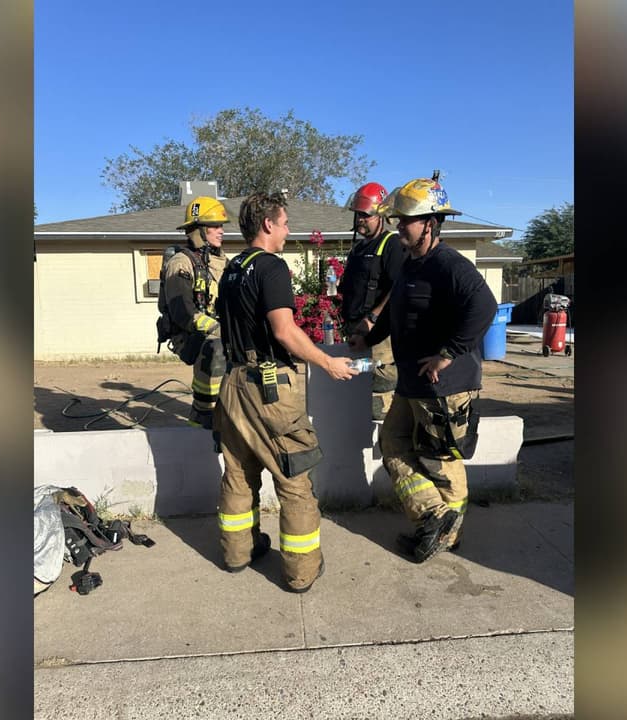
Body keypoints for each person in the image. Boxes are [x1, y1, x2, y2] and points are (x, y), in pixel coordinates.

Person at [213, 191, 358, 592]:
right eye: (286, 222)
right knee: (294, 478)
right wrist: (328, 363)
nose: (289, 229)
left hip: (233, 384)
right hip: (269, 387)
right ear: (268, 225)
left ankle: (237, 553)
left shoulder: (232, 268)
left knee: (239, 474)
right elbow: (284, 330)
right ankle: (301, 572)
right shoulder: (271, 267)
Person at [358, 177, 498, 563]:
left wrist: (448, 353)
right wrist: (367, 337)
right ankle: (434, 517)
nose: (399, 226)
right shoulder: (410, 263)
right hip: (412, 384)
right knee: (392, 444)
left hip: (444, 386)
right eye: (399, 220)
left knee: (442, 461)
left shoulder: (448, 264)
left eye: (407, 221)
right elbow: (397, 313)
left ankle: (447, 535)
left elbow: (484, 307)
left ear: (431, 224)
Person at [157, 196, 229, 429]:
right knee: (216, 349)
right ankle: (203, 414)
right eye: (215, 226)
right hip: (189, 334)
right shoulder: (181, 263)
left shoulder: (220, 261)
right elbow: (182, 311)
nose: (221, 231)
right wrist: (218, 329)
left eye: (221, 226)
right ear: (198, 230)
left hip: (216, 330)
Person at [338, 182, 406, 420]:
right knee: (358, 386)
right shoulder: (358, 249)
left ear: (381, 215)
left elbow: (397, 287)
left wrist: (373, 316)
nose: (360, 220)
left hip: (378, 336)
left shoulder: (392, 245)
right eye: (358, 215)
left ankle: (382, 441)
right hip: (356, 330)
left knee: (379, 387)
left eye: (365, 215)